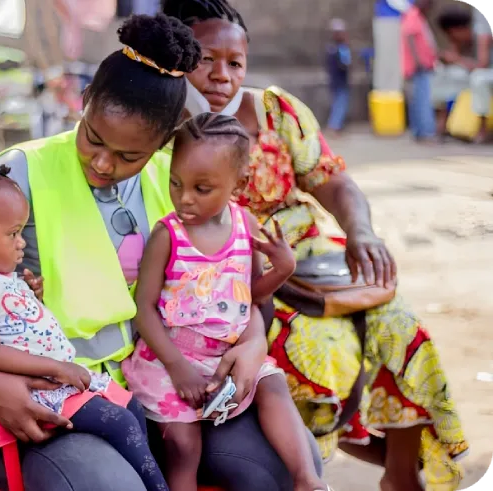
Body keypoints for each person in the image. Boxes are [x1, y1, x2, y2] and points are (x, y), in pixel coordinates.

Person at [0, 13, 323, 491]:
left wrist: (252, 344)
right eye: (93, 138)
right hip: (50, 395)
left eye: (128, 156)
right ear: (85, 101)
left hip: (162, 387)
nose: (102, 162)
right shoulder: (19, 175)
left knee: (282, 464)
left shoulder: (179, 184)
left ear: (163, 142)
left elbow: (239, 282)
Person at [162, 1, 468, 490]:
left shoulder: (275, 110)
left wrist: (361, 231)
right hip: (231, 281)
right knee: (317, 348)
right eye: (206, 60)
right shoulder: (162, 123)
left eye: (235, 62)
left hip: (312, 262)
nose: (222, 75)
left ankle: (400, 474)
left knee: (401, 327)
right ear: (178, 57)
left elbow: (333, 180)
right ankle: (304, 467)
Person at [0, 158, 168, 490]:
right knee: (120, 422)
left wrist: (29, 298)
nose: (21, 242)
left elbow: (14, 329)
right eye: (13, 233)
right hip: (27, 394)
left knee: (130, 408)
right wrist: (57, 368)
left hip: (46, 385)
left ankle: (146, 479)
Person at [123, 113, 328, 491]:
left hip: (227, 356)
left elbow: (251, 294)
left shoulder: (245, 225)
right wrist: (177, 367)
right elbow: (144, 309)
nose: (184, 197)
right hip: (171, 360)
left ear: (240, 184)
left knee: (273, 384)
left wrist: (283, 269)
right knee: (184, 446)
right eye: (175, 182)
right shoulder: (168, 235)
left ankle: (307, 480)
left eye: (202, 189)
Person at [432, 6, 493, 143]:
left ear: (459, 29)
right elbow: (456, 59)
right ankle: (442, 125)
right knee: (442, 73)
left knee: (479, 79)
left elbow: (481, 65)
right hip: (473, 75)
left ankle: (482, 129)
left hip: (485, 73)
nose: (451, 38)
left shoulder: (481, 34)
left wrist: (456, 59)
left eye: (452, 34)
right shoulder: (459, 39)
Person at [400, 0, 437, 142]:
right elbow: (409, 36)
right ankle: (426, 132)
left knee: (417, 99)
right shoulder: (413, 15)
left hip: (421, 65)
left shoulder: (416, 16)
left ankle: (419, 132)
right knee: (423, 100)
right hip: (418, 67)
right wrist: (417, 60)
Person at [325, 19, 352, 136]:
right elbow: (345, 64)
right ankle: (334, 126)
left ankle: (335, 126)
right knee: (339, 105)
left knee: (338, 104)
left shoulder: (331, 48)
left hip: (335, 81)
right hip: (340, 81)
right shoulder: (340, 49)